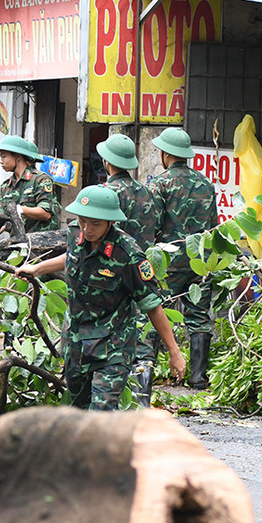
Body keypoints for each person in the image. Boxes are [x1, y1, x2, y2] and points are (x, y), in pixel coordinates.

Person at [17, 185, 185, 410]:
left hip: (112, 347)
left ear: (110, 222)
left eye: (95, 223)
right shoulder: (76, 232)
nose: (87, 229)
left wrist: (174, 352)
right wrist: (37, 269)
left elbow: (152, 306)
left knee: (101, 414)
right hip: (76, 343)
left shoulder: (128, 254)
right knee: (78, 413)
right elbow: (72, 256)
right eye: (83, 220)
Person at [146, 127, 218, 389]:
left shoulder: (159, 184)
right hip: (200, 260)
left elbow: (151, 225)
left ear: (165, 154)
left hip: (168, 262)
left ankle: (147, 376)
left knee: (158, 313)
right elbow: (213, 226)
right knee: (199, 315)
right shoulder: (206, 185)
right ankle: (198, 377)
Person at [96, 132, 163, 405]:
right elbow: (156, 228)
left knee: (109, 337)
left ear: (106, 162)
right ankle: (140, 399)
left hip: (109, 275)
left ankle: (113, 398)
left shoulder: (105, 194)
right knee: (144, 333)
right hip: (142, 270)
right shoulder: (147, 192)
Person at [0, 134, 59, 236]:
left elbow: (46, 214)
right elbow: (1, 218)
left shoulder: (41, 180)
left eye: (4, 156)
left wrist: (20, 209)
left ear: (18, 157)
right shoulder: (5, 187)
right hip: (17, 243)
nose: (1, 161)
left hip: (41, 243)